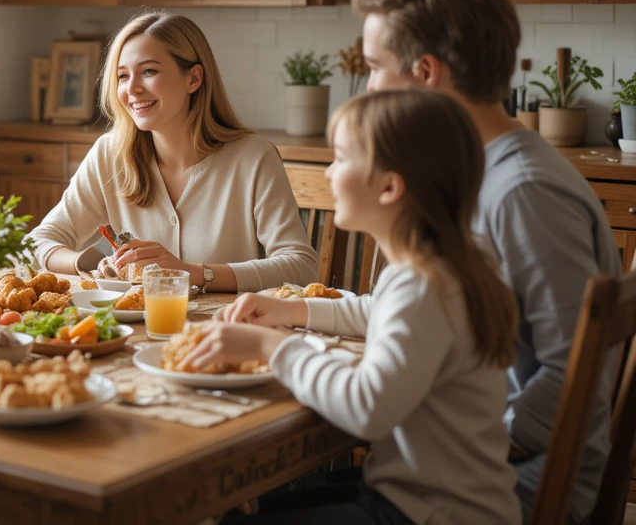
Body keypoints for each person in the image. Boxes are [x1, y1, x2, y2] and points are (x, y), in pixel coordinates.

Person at [357, 0, 621, 523]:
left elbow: (572, 375)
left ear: (426, 73)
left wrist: (470, 450)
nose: (370, 87)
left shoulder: (523, 192)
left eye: (375, 68)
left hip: (516, 483)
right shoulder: (476, 171)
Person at [198, 90, 520, 525]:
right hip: (433, 494)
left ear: (389, 186)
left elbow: (368, 408)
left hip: (431, 512)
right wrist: (287, 310)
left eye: (342, 160)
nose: (328, 174)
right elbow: (375, 312)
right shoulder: (442, 265)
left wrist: (272, 347)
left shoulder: (422, 284)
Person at [28, 10, 317, 291]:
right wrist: (84, 263)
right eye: (123, 76)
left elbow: (301, 267)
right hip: (137, 332)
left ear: (194, 79)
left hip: (227, 333)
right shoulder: (110, 154)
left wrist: (190, 273)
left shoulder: (254, 159)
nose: (132, 89)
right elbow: (37, 243)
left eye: (149, 71)